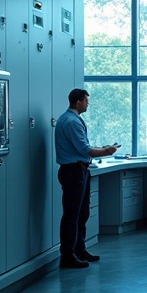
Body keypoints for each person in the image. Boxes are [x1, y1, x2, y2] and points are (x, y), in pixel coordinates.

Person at [55, 88, 118, 269]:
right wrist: (106, 152)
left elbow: (83, 147)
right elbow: (85, 150)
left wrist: (102, 148)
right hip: (73, 171)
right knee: (72, 215)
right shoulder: (72, 122)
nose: (87, 104)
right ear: (78, 102)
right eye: (86, 101)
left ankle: (79, 250)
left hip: (79, 169)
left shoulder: (69, 119)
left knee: (82, 213)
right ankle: (68, 255)